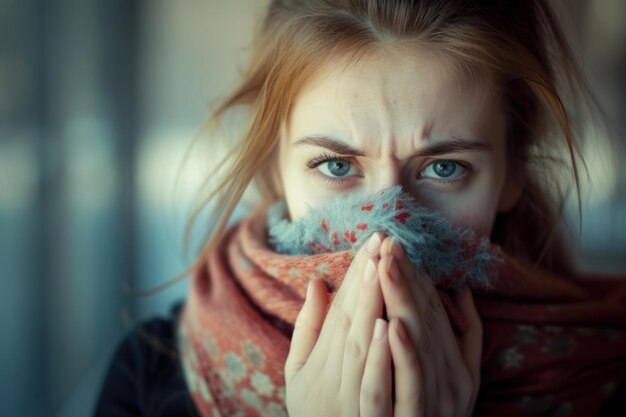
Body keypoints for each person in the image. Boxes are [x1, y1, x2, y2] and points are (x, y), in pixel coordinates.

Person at [95, 1, 626, 416]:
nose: (385, 236)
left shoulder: (603, 378)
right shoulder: (152, 376)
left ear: (511, 172)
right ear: (273, 165)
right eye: (335, 166)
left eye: (444, 168)